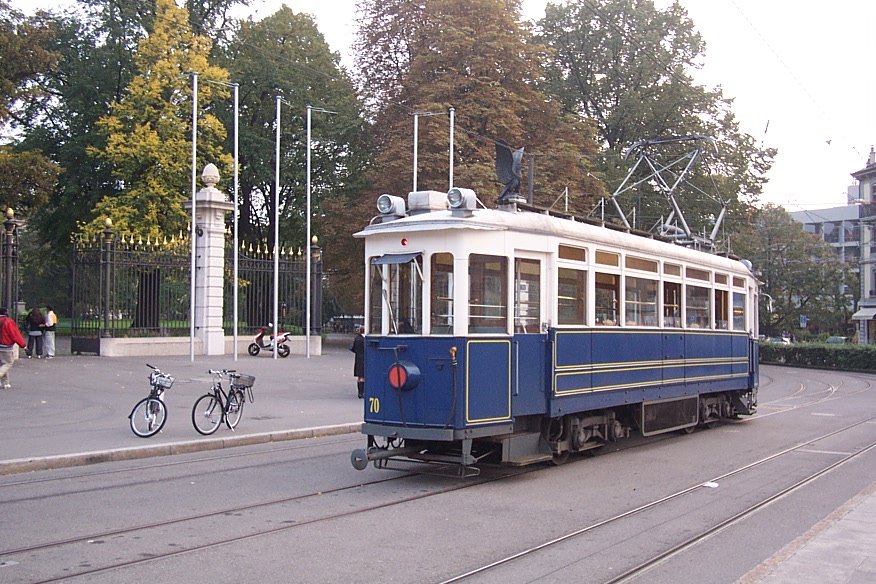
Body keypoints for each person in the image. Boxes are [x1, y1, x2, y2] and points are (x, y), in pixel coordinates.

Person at [0, 307, 26, 389]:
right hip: (6, 346)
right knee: (8, 363)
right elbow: (15, 335)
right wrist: (23, 345)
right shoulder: (8, 321)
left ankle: (5, 383)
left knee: (2, 364)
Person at [350, 325, 365, 399]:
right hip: (363, 359)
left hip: (358, 358)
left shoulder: (357, 338)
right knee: (363, 376)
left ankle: (360, 392)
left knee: (359, 377)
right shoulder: (364, 340)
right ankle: (362, 392)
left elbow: (353, 348)